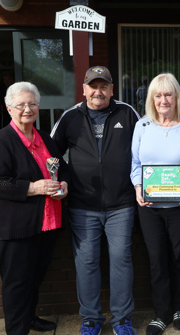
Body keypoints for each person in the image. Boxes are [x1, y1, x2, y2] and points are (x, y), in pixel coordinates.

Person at [51, 66, 139, 335]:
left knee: (121, 258)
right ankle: (90, 319)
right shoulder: (70, 117)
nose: (98, 91)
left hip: (122, 204)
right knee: (86, 261)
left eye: (104, 86)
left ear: (112, 89)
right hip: (82, 205)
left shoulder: (127, 113)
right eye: (93, 86)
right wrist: (62, 179)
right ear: (84, 89)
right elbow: (51, 156)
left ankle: (122, 320)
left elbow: (145, 150)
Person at [0, 82, 69, 335]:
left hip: (45, 223)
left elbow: (63, 167)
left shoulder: (44, 138)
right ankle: (17, 330)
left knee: (34, 277)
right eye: (20, 105)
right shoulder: (1, 141)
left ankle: (29, 318)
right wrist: (34, 188)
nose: (27, 109)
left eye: (32, 104)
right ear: (9, 109)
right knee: (17, 283)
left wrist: (64, 183)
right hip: (14, 226)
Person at [130, 73, 180, 335]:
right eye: (158, 95)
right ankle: (161, 314)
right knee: (157, 260)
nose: (163, 100)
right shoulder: (142, 127)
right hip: (149, 208)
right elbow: (135, 165)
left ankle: (178, 308)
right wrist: (139, 187)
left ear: (176, 98)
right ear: (152, 98)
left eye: (168, 94)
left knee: (178, 258)